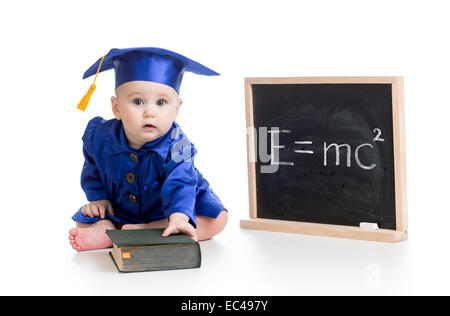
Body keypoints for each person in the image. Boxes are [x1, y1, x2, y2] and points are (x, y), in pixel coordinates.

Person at [69, 47, 228, 252]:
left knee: (218, 219)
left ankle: (154, 228)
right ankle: (106, 229)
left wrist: (179, 215)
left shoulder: (178, 147)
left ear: (177, 109)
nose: (149, 112)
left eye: (161, 102)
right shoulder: (101, 137)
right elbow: (92, 165)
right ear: (116, 108)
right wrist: (98, 198)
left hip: (171, 210)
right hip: (121, 209)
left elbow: (182, 183)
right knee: (86, 217)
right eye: (137, 101)